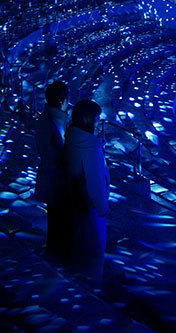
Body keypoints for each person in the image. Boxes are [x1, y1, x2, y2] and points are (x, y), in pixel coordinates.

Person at [64, 100, 110, 285]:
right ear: (87, 119)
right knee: (93, 251)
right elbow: (95, 182)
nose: (98, 123)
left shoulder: (72, 137)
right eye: (97, 119)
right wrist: (102, 207)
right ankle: (91, 289)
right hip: (90, 208)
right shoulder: (90, 148)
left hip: (74, 203)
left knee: (80, 245)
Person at [34, 81, 71, 263]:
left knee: (55, 219)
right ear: (63, 100)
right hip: (57, 179)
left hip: (49, 175)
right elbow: (65, 149)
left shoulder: (45, 116)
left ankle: (55, 254)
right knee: (60, 221)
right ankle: (58, 259)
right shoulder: (56, 120)